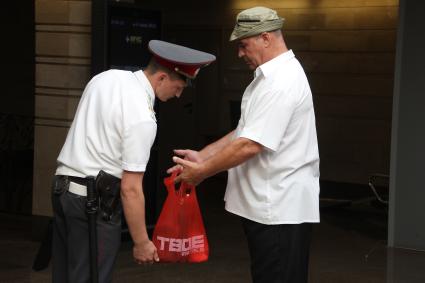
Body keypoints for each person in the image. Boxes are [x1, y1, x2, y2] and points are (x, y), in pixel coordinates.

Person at [170, 7, 320, 283]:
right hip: (268, 208)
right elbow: (244, 131)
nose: (239, 53)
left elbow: (249, 145)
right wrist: (203, 156)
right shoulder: (269, 78)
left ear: (265, 38)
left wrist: (202, 173)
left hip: (277, 209)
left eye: (243, 44)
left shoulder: (281, 82)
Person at [51, 40, 215, 283]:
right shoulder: (143, 118)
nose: (178, 95)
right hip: (94, 204)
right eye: (178, 87)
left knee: (65, 276)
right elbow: (130, 189)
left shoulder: (105, 78)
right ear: (161, 78)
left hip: (63, 192)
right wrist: (141, 242)